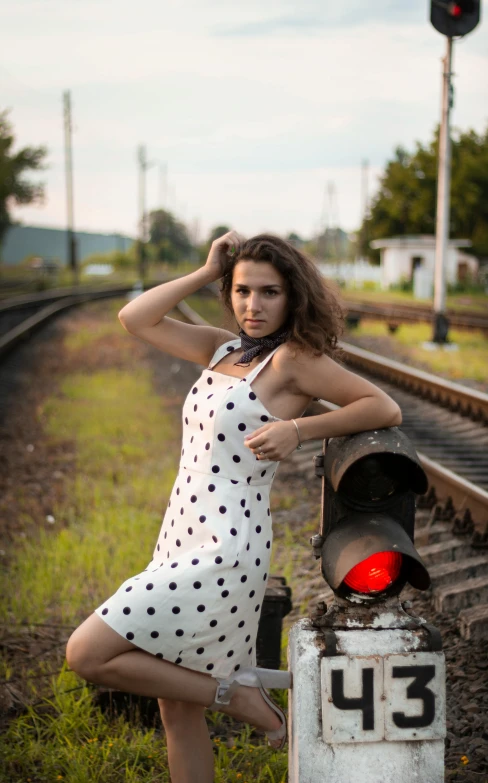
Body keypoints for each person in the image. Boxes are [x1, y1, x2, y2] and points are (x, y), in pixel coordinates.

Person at [66, 231, 402, 783]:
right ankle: (229, 695)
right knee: (175, 708)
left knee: (87, 653)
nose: (253, 305)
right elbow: (134, 318)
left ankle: (237, 697)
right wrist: (206, 271)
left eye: (269, 292)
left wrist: (298, 428)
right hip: (179, 534)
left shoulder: (294, 362)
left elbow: (382, 406)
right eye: (242, 291)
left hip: (226, 547)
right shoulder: (223, 350)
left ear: (292, 297)